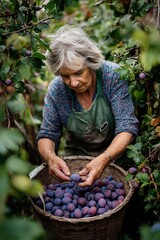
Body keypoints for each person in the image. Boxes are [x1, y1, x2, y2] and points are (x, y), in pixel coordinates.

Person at [36, 25, 138, 187]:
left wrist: (105, 158)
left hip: (119, 159)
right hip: (78, 162)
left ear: (91, 63)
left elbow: (127, 126)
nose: (73, 83)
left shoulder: (112, 76)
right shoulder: (57, 90)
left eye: (78, 73)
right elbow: (47, 134)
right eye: (65, 76)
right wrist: (50, 157)